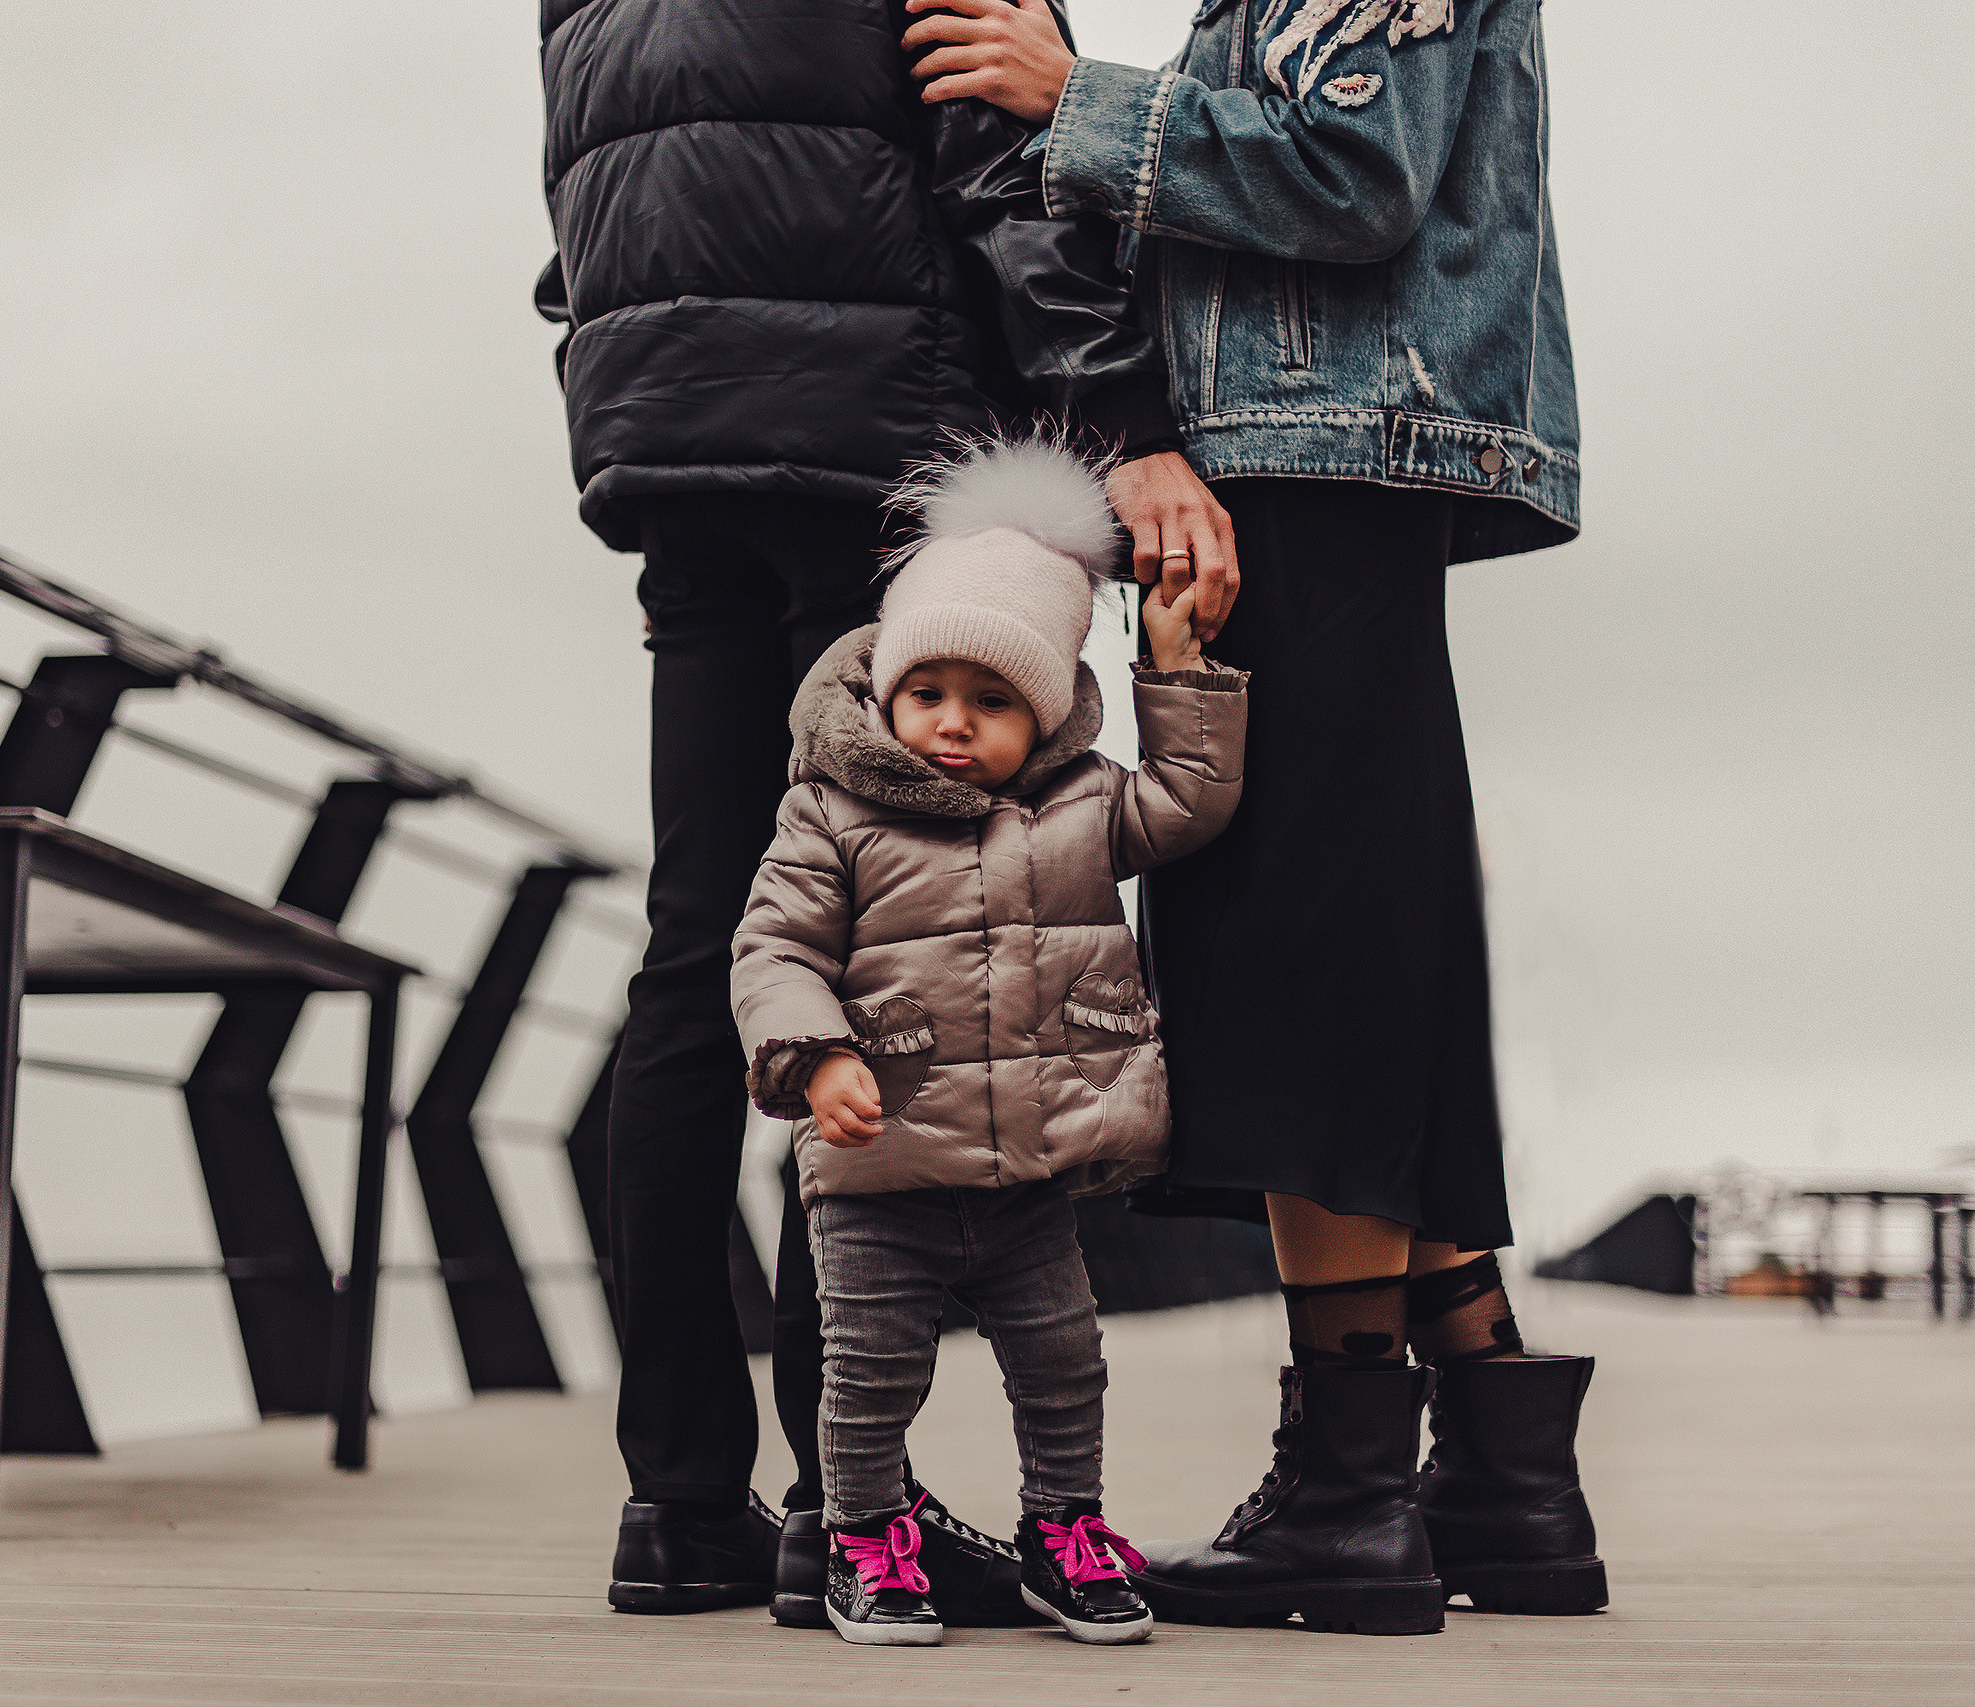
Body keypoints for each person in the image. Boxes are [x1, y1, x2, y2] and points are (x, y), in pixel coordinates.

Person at [900, 0, 1602, 1634]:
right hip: (1328, 450)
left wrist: (1081, 98)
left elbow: (1356, 173)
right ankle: (1505, 1483)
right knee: (1365, 941)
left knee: (1305, 955)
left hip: (1315, 452)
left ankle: (1354, 1500)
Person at [537, 0, 1188, 1625]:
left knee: (698, 958)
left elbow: (579, 234)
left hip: (678, 462)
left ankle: (676, 1503)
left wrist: (658, 440)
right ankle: (844, 1502)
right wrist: (1129, 441)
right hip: (874, 450)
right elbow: (1013, 177)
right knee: (887, 944)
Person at [731, 437, 1251, 1645]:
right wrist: (817, 1057)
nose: (952, 727)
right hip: (879, 1169)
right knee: (869, 1374)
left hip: (1031, 1175)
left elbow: (1187, 802)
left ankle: (1063, 1530)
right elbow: (772, 952)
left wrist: (1181, 675)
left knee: (1064, 1361)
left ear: (1054, 710)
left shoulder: (1073, 806)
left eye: (993, 702)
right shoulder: (831, 810)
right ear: (884, 691)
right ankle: (865, 1541)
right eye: (929, 695)